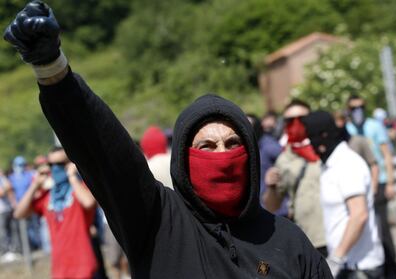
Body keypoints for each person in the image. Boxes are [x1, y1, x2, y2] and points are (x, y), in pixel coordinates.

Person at [4, 2, 332, 278]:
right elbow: (108, 154)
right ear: (183, 158)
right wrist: (54, 72)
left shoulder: (289, 242)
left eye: (233, 144)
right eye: (207, 146)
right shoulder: (158, 222)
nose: (223, 155)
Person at [303, 111, 384, 278]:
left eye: (312, 138)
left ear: (323, 135)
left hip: (360, 267)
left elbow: (359, 215)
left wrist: (336, 259)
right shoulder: (329, 164)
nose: (311, 144)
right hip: (348, 266)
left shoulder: (346, 163)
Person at [13, 147, 98, 279]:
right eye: (51, 164)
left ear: (69, 164)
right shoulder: (48, 196)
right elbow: (19, 213)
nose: (55, 168)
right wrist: (35, 184)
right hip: (59, 269)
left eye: (60, 164)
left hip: (83, 266)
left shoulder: (80, 188)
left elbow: (89, 203)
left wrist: (72, 176)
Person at [262, 100, 327, 256]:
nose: (296, 124)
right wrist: (270, 185)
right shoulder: (284, 159)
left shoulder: (326, 147)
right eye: (290, 120)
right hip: (309, 241)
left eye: (302, 119)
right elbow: (272, 206)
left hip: (337, 236)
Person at [346, 96, 396, 278]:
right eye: (353, 108)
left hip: (380, 181)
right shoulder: (348, 129)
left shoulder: (374, 126)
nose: (357, 111)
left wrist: (390, 182)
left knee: (382, 228)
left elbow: (386, 155)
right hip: (358, 185)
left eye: (360, 107)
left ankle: (392, 269)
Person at [333, 111, 380, 194]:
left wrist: (374, 186)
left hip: (361, 188)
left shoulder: (359, 141)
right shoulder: (332, 146)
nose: (339, 124)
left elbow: (373, 164)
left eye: (341, 120)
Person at [0, 170, 16, 261]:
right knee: (2, 232)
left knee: (11, 229)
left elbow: (10, 189)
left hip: (7, 209)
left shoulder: (3, 179)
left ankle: (12, 250)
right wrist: (6, 187)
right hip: (0, 211)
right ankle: (4, 251)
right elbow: (1, 193)